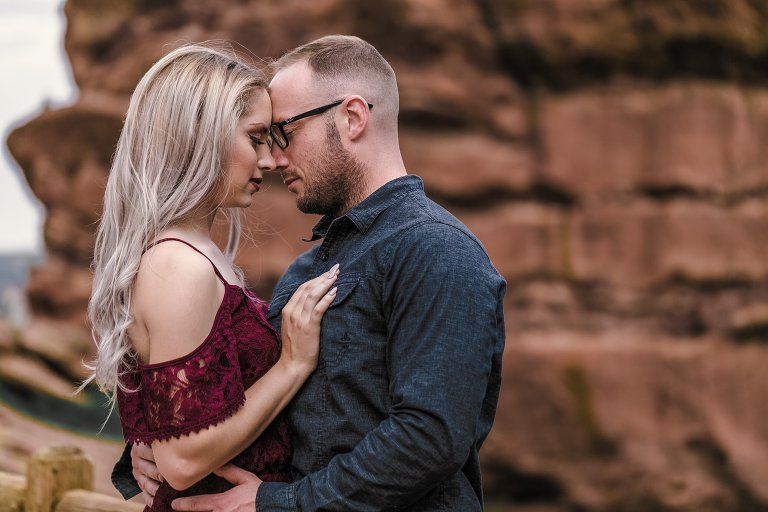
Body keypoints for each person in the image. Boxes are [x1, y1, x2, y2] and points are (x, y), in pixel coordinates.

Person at [122, 35, 506, 511]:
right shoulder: (307, 269)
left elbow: (429, 438)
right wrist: (157, 442)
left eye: (285, 132)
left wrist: (278, 504)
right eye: (263, 138)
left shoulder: (437, 250)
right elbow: (247, 398)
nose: (275, 158)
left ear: (352, 117)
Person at [84, 43, 341, 511]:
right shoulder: (177, 265)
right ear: (200, 135)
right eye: (256, 137)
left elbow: (178, 426)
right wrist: (292, 364)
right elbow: (182, 460)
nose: (269, 161)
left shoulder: (194, 254)